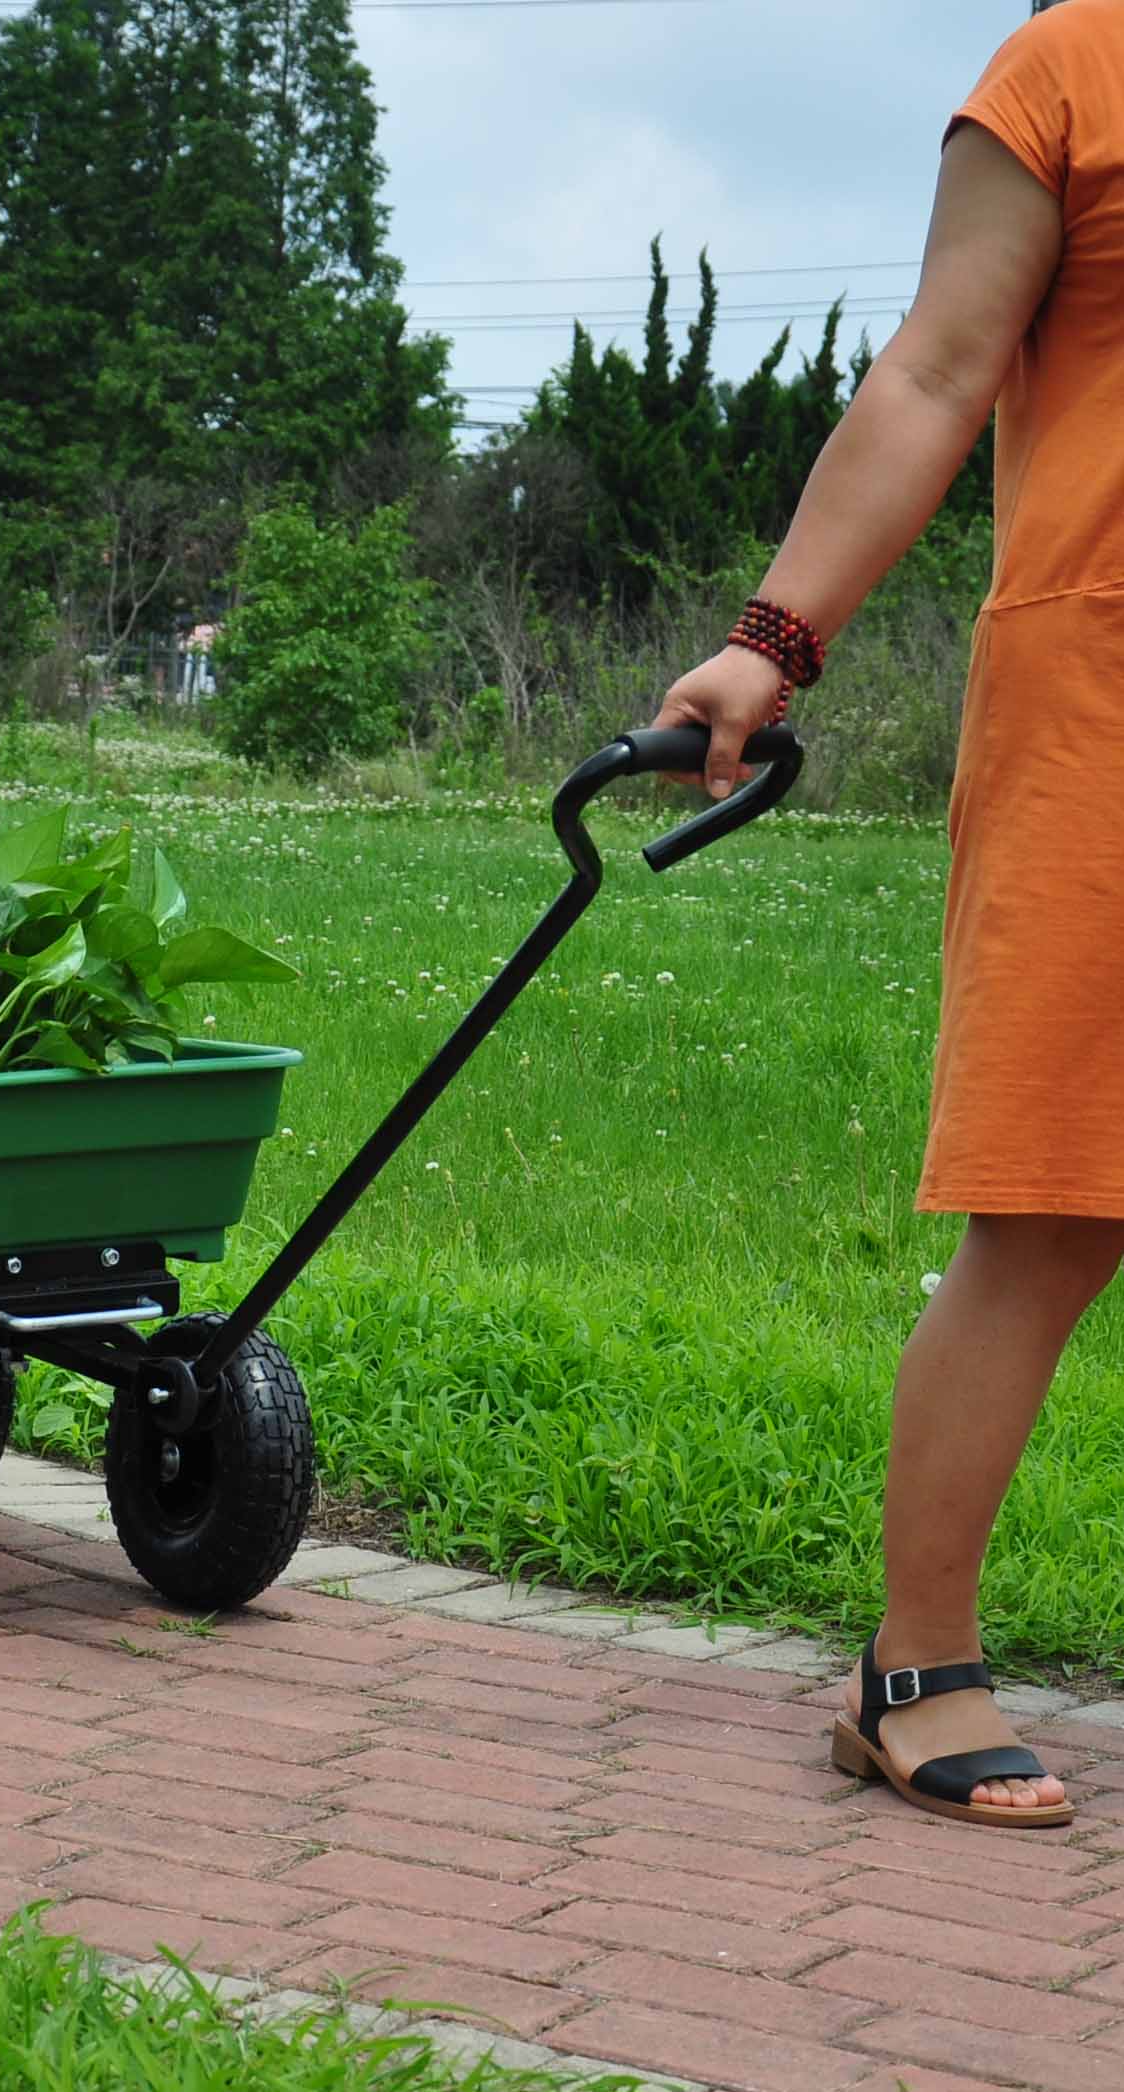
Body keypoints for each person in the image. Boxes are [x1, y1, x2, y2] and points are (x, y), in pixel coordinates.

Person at [650, 5, 1124, 1829]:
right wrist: (774, 641)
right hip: (1102, 691)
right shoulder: (1064, 67)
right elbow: (935, 370)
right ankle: (914, 1664)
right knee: (1060, 1203)